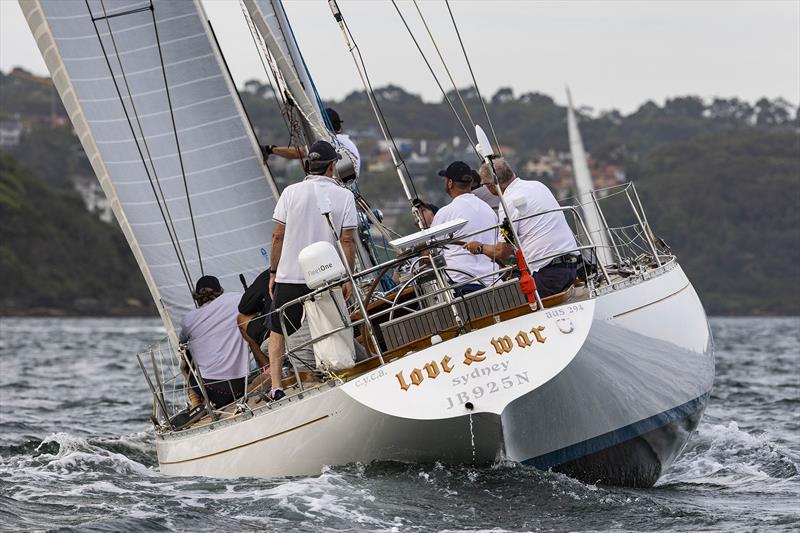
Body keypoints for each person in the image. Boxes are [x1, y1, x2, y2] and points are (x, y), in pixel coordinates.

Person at [266, 140, 358, 401]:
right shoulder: (345, 196)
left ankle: (276, 386)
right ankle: (337, 374)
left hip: (291, 275)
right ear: (332, 166)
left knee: (278, 330)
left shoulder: (291, 192)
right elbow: (347, 240)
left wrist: (273, 272)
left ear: (308, 165)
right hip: (327, 276)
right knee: (333, 325)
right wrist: (347, 277)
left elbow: (277, 236)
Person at [463, 159, 579, 298]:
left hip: (548, 274)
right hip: (572, 266)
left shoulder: (507, 203)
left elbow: (502, 251)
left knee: (508, 301)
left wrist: (480, 248)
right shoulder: (538, 185)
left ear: (491, 185)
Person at [179, 276, 250, 408]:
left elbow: (181, 343)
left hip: (212, 391)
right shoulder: (235, 299)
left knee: (186, 360)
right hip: (240, 385)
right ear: (220, 291)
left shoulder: (188, 320)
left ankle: (196, 404)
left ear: (197, 297)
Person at [431, 161, 499, 296]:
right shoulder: (488, 210)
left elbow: (432, 251)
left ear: (450, 183)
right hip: (494, 282)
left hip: (462, 287)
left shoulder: (445, 213)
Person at [262, 108, 361, 180]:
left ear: (321, 125)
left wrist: (271, 149)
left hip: (335, 191)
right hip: (346, 191)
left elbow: (298, 153)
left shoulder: (329, 142)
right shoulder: (346, 142)